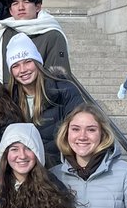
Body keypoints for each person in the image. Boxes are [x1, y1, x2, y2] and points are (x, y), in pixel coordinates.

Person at [6, 33, 82, 165]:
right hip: (25, 168)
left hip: (61, 167)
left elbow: (80, 130)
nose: (22, 70)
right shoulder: (9, 99)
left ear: (38, 63)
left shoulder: (64, 90)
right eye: (15, 66)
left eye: (28, 62)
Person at [0, 0, 71, 84]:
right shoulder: (0, 35)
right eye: (15, 3)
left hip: (42, 96)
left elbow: (59, 79)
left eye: (26, 2)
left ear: (37, 6)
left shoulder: (52, 36)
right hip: (6, 97)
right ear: (11, 11)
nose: (21, 7)